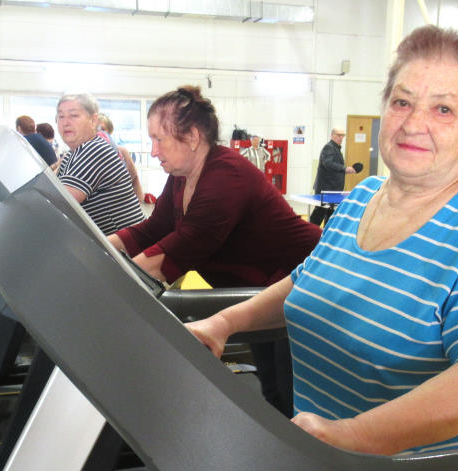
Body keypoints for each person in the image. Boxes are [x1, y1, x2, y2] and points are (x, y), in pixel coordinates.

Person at [187, 26, 458, 471]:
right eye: (402, 101)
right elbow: (306, 281)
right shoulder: (362, 198)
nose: (414, 123)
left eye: (444, 109)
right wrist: (224, 322)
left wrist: (350, 437)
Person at [107, 85, 322, 416]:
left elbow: (179, 249)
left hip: (303, 283)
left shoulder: (226, 176)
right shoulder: (182, 176)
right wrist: (98, 246)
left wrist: (110, 284)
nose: (153, 151)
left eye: (159, 139)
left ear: (192, 137)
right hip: (258, 290)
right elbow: (152, 228)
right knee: (271, 387)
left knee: (289, 391)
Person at [55, 94, 145, 235]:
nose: (65, 122)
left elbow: (59, 202)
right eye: (61, 116)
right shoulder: (73, 154)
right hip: (110, 242)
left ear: (93, 120)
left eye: (73, 115)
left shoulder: (95, 150)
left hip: (126, 246)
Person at [310, 127, 357, 226]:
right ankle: (309, 233)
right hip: (326, 189)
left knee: (330, 214)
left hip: (332, 189)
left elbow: (333, 166)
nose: (341, 137)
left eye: (342, 135)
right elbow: (328, 163)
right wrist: (344, 169)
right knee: (319, 214)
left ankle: (326, 233)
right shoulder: (329, 147)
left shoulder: (336, 148)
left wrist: (344, 170)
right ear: (332, 135)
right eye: (338, 135)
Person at [97, 113, 145, 203]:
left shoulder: (122, 152)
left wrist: (138, 201)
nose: (99, 133)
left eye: (102, 129)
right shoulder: (87, 153)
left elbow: (134, 177)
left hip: (121, 202)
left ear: (109, 131)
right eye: (95, 129)